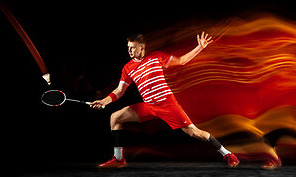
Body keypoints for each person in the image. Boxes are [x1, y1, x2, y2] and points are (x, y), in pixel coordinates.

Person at [90, 32, 240, 168]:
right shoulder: (128, 68)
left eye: (133, 48)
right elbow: (119, 90)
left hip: (168, 105)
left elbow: (181, 61)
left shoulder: (155, 57)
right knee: (115, 117)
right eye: (128, 48)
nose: (129, 51)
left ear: (142, 47)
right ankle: (118, 159)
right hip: (148, 106)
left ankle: (227, 153)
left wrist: (199, 47)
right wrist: (104, 101)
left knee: (194, 133)